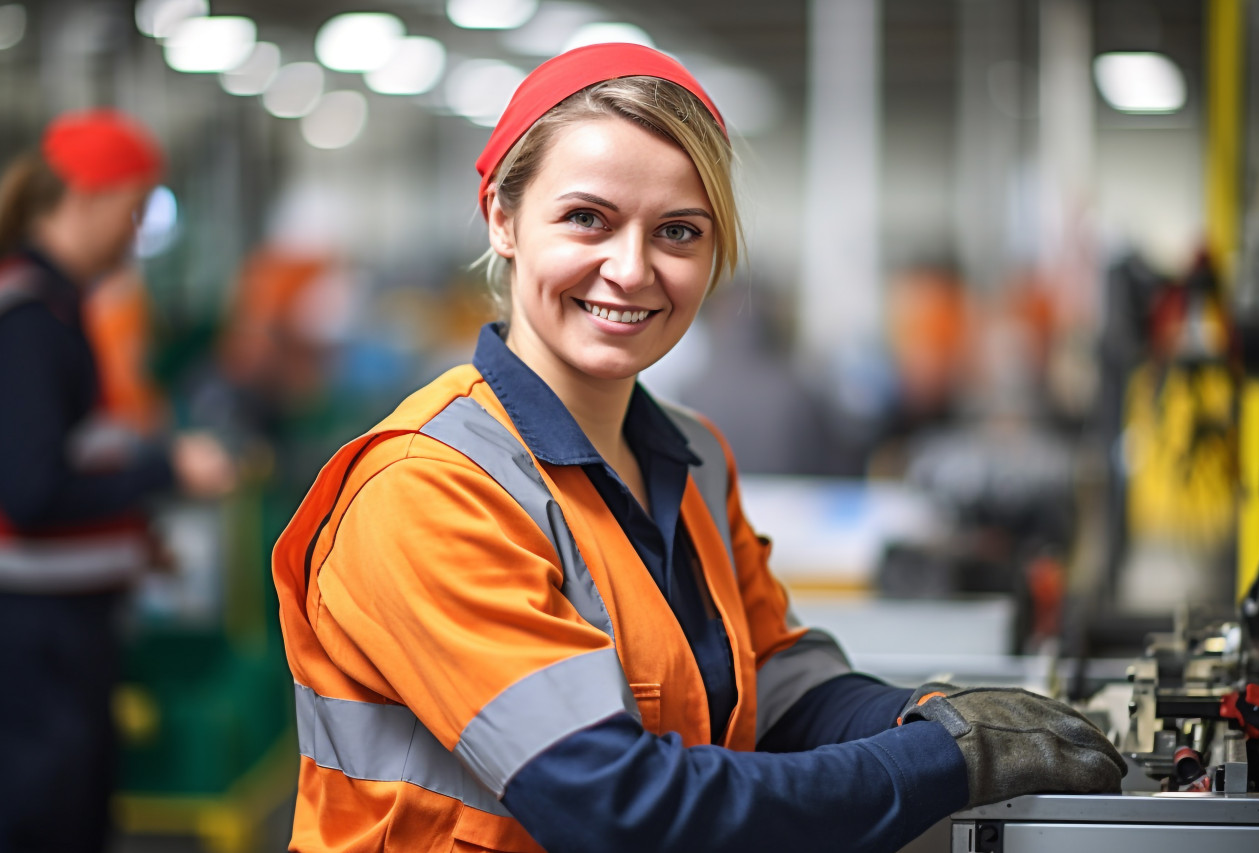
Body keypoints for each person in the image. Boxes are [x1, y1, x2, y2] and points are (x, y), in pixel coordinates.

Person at [272, 44, 1125, 853]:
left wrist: (932, 712)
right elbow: (617, 806)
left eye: (678, 231)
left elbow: (773, 679)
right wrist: (948, 758)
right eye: (586, 219)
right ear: (501, 215)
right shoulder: (428, 490)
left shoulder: (690, 455)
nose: (633, 269)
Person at [0, 108, 237, 853]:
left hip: (66, 618)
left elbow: (73, 462)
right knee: (46, 814)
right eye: (133, 211)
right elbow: (32, 492)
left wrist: (132, 535)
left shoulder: (63, 310)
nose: (135, 235)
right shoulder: (29, 320)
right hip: (36, 629)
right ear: (90, 197)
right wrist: (167, 468)